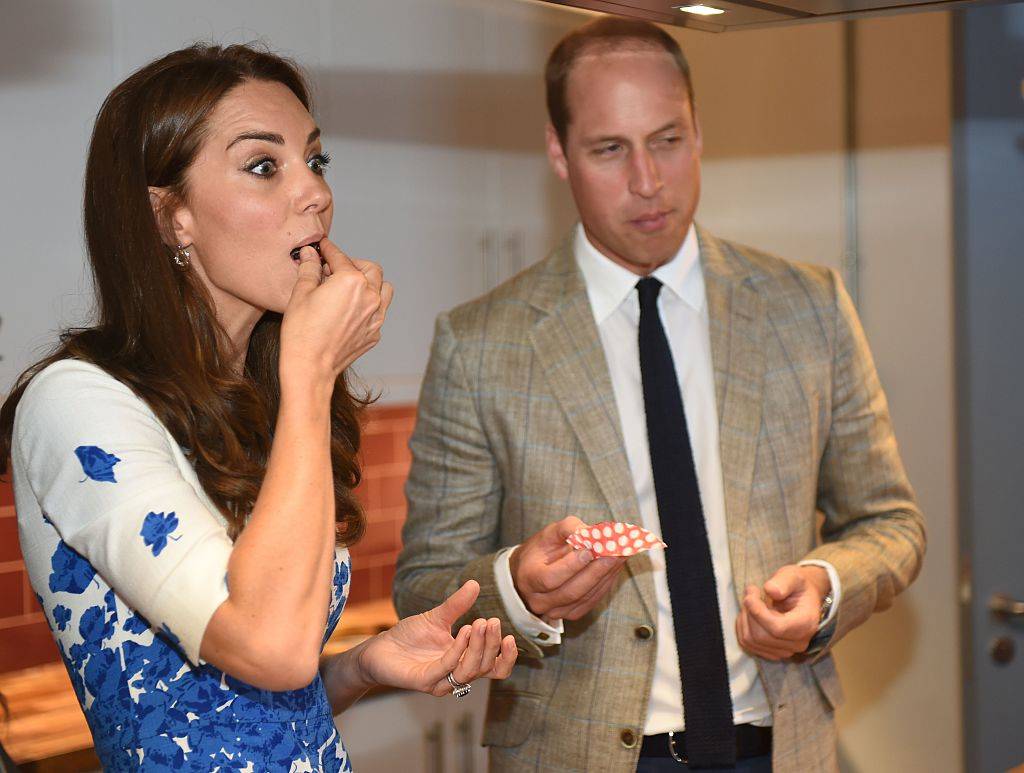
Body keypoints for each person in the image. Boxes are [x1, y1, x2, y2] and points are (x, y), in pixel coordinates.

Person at [394, 16, 925, 773]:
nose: (648, 180)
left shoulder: (808, 307)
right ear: (558, 151)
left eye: (668, 139)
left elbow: (889, 521)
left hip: (779, 746)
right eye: (610, 149)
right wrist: (518, 588)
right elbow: (424, 587)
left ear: (699, 131)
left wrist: (826, 586)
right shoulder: (479, 344)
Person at [0, 43, 517, 772]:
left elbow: (237, 708)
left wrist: (362, 665)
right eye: (264, 166)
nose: (316, 193)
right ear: (171, 216)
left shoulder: (262, 399)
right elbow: (267, 646)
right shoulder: (78, 404)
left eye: (315, 160)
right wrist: (311, 372)